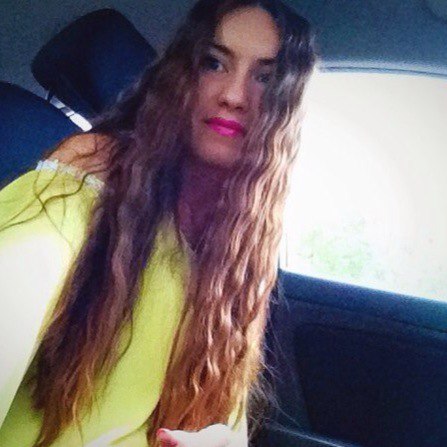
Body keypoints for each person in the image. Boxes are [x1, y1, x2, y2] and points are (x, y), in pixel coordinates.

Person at [0, 0, 317, 446]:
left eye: (265, 77)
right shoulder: (77, 194)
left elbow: (228, 424)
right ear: (179, 76)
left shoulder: (236, 252)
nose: (234, 95)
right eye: (214, 63)